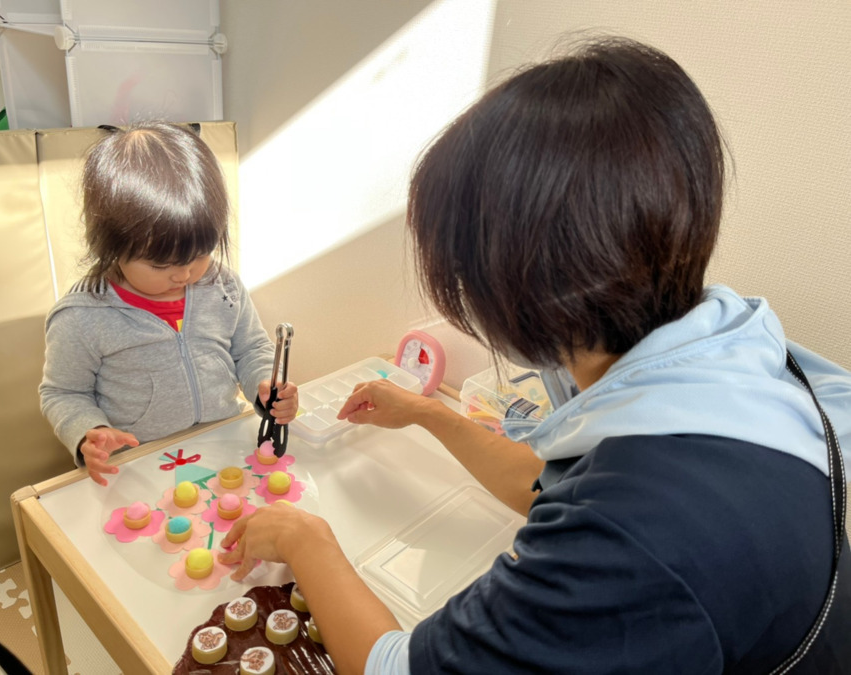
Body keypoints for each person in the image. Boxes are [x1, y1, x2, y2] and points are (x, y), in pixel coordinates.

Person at [218, 37, 851, 673]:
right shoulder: (735, 360)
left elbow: (395, 667)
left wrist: (308, 541)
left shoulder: (629, 537)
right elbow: (549, 485)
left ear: (520, 285)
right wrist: (428, 414)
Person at [40, 122, 298, 486]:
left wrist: (265, 384)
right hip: (140, 466)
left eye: (200, 254)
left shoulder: (222, 285)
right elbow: (63, 392)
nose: (185, 274)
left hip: (223, 444)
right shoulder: (82, 317)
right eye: (162, 265)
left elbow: (251, 347)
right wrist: (89, 432)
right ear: (111, 247)